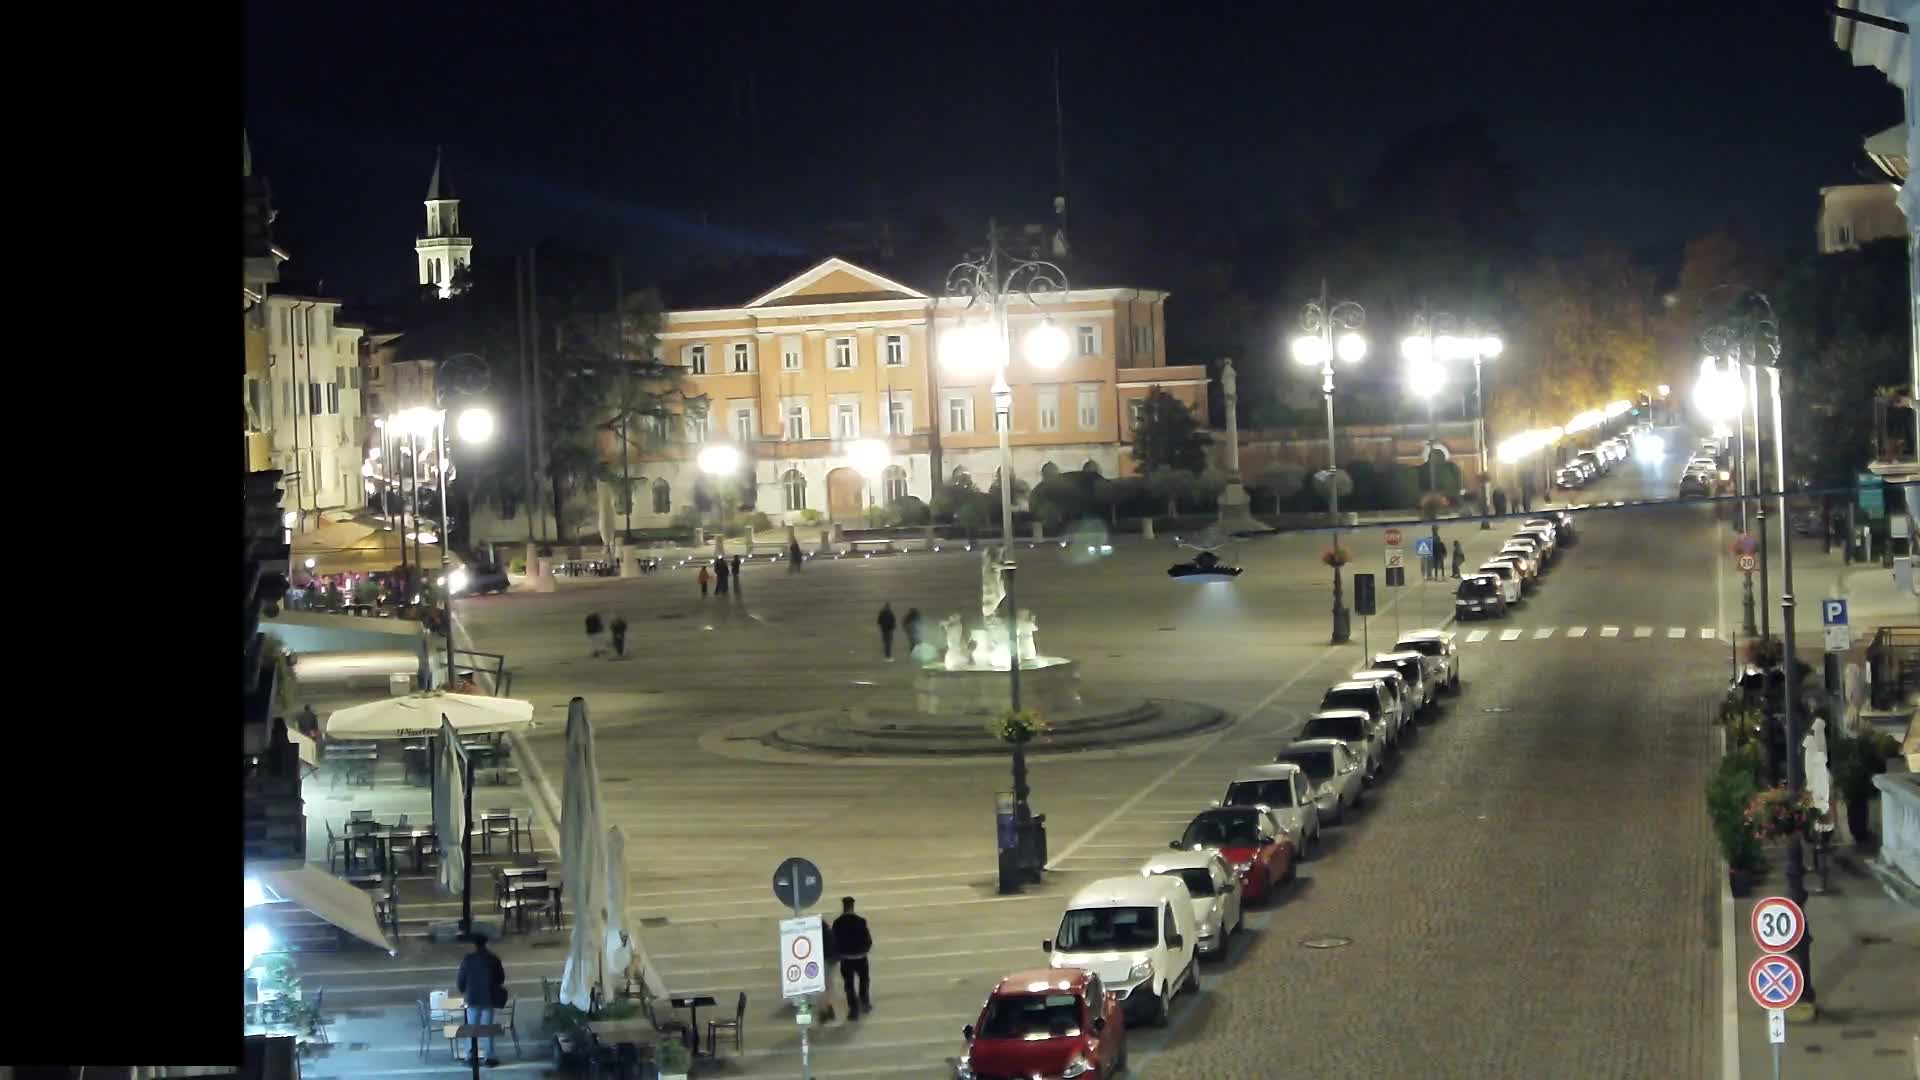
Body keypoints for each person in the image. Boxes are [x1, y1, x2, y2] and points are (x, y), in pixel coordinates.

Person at [455, 933, 507, 1067]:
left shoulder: (468, 959)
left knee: (472, 1028)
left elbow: (461, 978)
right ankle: (489, 1057)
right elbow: (501, 978)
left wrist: (463, 990)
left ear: (474, 945)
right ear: (486, 944)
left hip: (472, 998)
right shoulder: (493, 959)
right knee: (487, 1028)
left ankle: (471, 1056)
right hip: (488, 997)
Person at [831, 896, 873, 1020]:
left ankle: (853, 1010)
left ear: (843, 907)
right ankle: (864, 1003)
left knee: (848, 984)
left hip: (846, 959)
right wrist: (864, 951)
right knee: (864, 980)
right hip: (860, 957)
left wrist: (838, 954)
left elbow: (834, 941)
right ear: (853, 906)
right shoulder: (861, 921)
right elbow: (868, 940)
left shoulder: (838, 922)